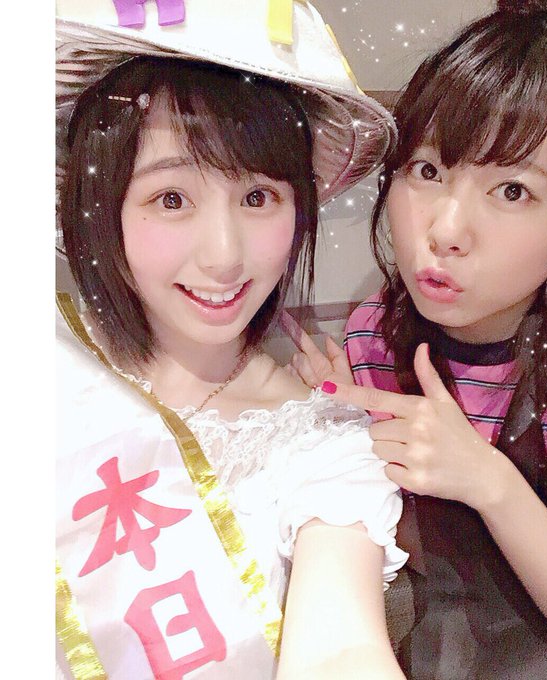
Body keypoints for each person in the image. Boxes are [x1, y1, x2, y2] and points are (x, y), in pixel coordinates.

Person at [55, 1, 408, 678]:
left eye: (257, 198)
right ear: (101, 210)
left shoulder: (323, 447)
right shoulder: (47, 362)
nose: (224, 256)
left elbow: (342, 648)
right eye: (171, 199)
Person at [285, 1, 547, 677]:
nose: (445, 230)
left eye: (512, 190)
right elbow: (415, 561)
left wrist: (488, 481)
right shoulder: (375, 337)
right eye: (429, 171)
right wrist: (344, 440)